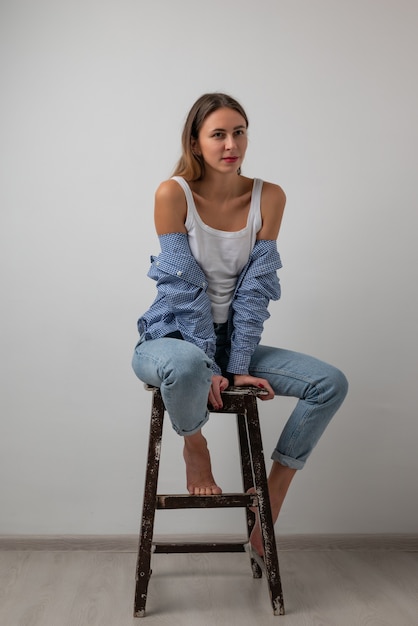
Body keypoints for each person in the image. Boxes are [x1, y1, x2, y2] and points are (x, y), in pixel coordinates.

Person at [132, 92, 348, 556]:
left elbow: (254, 292)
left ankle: (272, 496)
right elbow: (185, 291)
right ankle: (194, 444)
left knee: (330, 383)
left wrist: (237, 362)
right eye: (218, 134)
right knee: (188, 364)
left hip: (233, 345)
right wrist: (212, 365)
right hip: (169, 338)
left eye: (239, 132)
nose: (231, 143)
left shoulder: (269, 196)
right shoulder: (173, 193)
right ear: (195, 143)